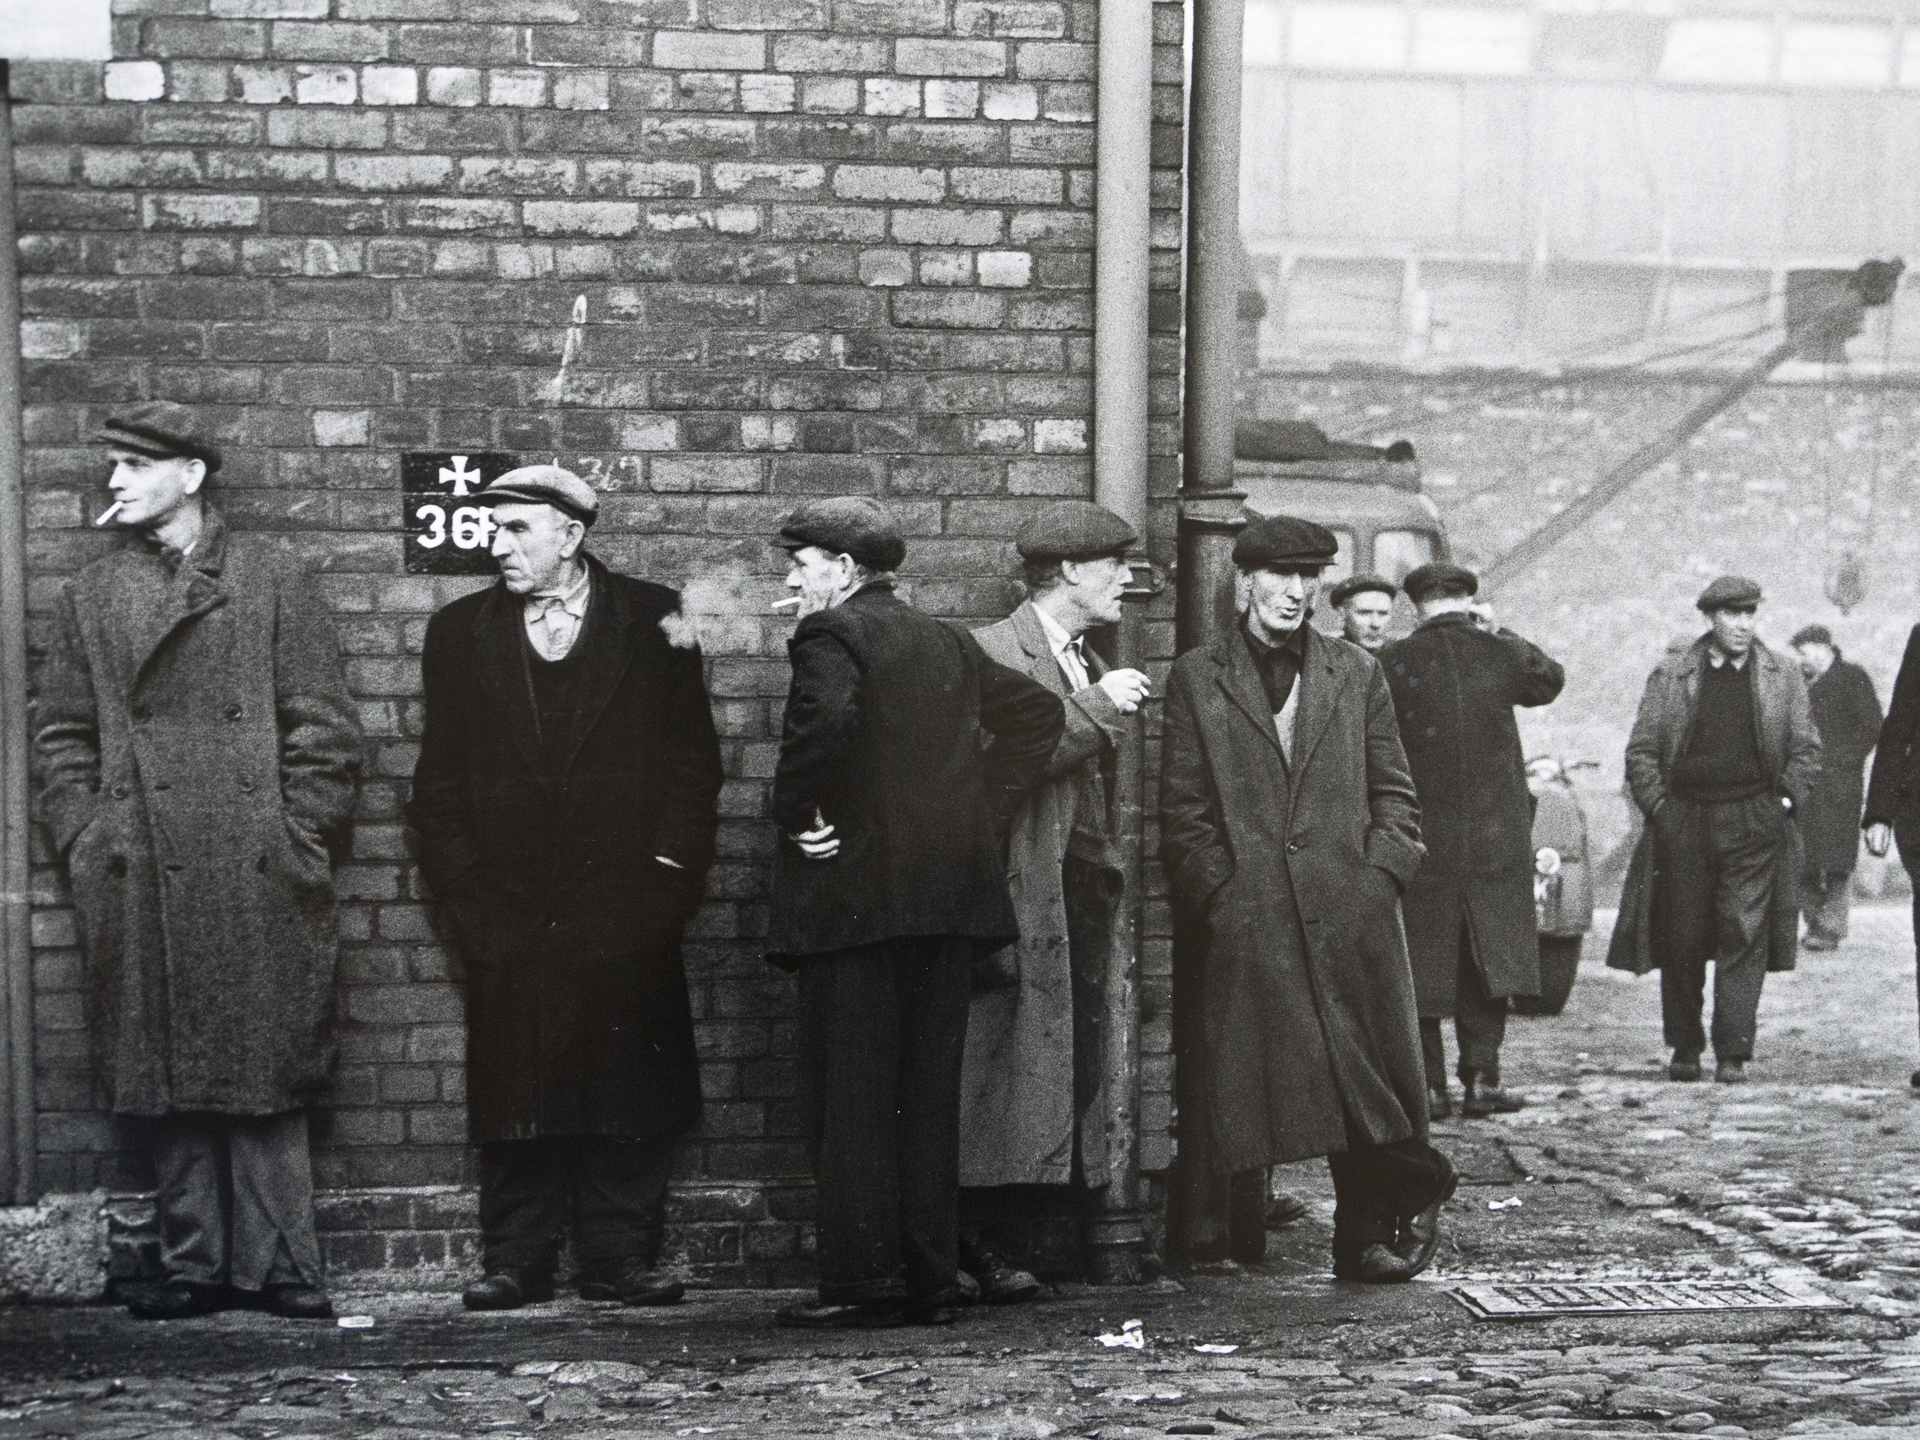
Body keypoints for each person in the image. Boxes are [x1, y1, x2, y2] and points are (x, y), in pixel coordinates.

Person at [33, 401, 363, 1321]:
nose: (115, 483)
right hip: (138, 858)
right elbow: (61, 731)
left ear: (191, 474)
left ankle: (283, 1267)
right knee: (170, 1060)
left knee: (263, 1064)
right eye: (113, 468)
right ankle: (195, 1264)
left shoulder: (270, 578)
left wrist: (295, 835)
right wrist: (88, 834)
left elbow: (325, 729)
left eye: (135, 467)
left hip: (254, 861)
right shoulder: (93, 597)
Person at [408, 465, 724, 1312]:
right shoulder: (460, 631)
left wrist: (665, 880)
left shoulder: (654, 618)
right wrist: (466, 891)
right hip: (507, 901)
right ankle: (518, 1258)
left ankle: (620, 1258)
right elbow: (438, 781)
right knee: (516, 1077)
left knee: (627, 1073)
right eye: (493, 530)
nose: (498, 547)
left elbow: (694, 767)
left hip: (625, 897)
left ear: (571, 537)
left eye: (517, 530)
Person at [764, 497, 1064, 1329]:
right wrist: (975, 816)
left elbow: (824, 722)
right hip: (947, 906)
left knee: (852, 1095)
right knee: (925, 1099)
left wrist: (803, 815)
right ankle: (930, 1279)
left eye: (805, 560)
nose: (792, 575)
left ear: (847, 571)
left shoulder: (832, 635)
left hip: (858, 904)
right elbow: (1039, 715)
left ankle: (867, 1285)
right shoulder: (946, 640)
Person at [1159, 514, 1453, 1284]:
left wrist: (1380, 873)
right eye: (1280, 577)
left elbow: (1396, 790)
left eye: (1308, 578)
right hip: (1251, 910)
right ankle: (1410, 1179)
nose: (1295, 593)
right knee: (1286, 1069)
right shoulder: (1198, 676)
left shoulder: (1354, 673)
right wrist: (1221, 895)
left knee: (1365, 1061)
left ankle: (1363, 1238)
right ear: (1244, 581)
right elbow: (1185, 811)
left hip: (1352, 908)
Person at [955, 501, 1148, 1301]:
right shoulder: (992, 652)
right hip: (1014, 895)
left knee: (1053, 1069)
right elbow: (999, 767)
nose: (1129, 582)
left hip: (1073, 898)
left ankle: (1022, 1239)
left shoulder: (1080, 655)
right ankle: (976, 1245)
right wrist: (1099, 709)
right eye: (1115, 566)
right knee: (992, 1068)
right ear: (1069, 571)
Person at [1607, 577, 1820, 1084]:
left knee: (1743, 933)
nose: (1743, 624)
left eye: (1750, 613)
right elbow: (1642, 752)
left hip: (1754, 821)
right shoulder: (1673, 674)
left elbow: (1806, 750)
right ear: (1710, 618)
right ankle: (1685, 1046)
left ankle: (1733, 1050)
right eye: (1732, 614)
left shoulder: (1783, 675)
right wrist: (1661, 809)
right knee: (1682, 935)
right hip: (1685, 821)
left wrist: (1782, 803)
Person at [1380, 564, 1564, 1121]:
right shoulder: (1498, 653)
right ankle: (1482, 1081)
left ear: (1418, 607)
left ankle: (1429, 1088)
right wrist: (1500, 630)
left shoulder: (1391, 662)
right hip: (1494, 836)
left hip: (1419, 834)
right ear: (1469, 601)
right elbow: (1549, 680)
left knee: (1421, 957)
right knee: (1489, 953)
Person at [1791, 625, 1881, 951]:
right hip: (1803, 785)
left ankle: (1831, 927)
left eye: (1802, 652)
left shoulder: (1852, 677)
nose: (1799, 659)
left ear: (1823, 647)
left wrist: (1844, 761)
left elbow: (1872, 725)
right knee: (1801, 857)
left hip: (1840, 785)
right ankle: (1817, 922)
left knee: (1837, 860)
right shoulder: (1798, 684)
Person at [1330, 574, 1397, 654]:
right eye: (1364, 613)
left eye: (1383, 614)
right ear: (1341, 614)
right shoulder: (1326, 658)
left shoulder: (1403, 658)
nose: (1375, 624)